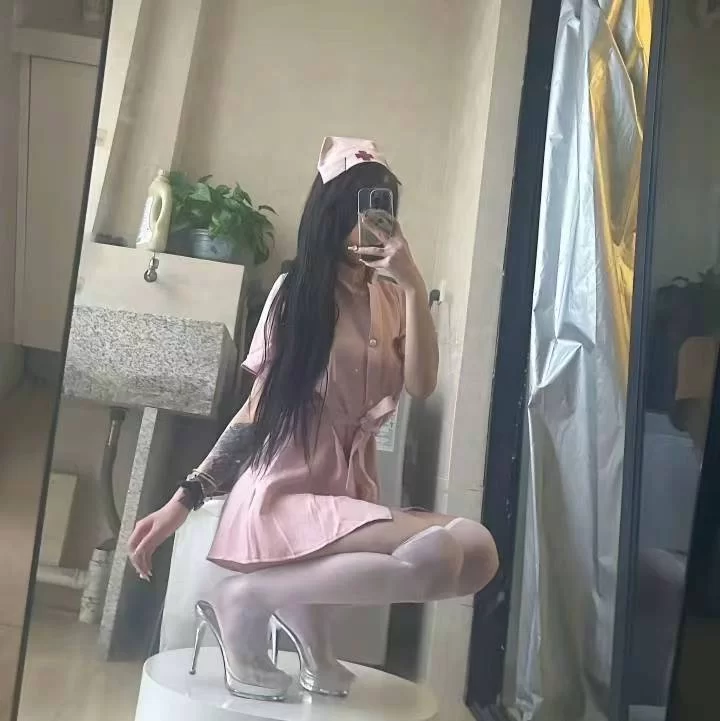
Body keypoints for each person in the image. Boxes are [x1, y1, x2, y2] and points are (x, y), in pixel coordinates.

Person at [128, 137, 499, 701]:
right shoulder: (297, 293)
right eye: (360, 209)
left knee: (479, 552)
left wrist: (414, 284)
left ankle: (289, 620)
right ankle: (245, 600)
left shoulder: (393, 300)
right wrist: (185, 498)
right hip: (284, 494)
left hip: (345, 491)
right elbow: (255, 414)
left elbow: (422, 385)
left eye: (383, 208)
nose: (373, 223)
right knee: (443, 551)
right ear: (331, 216)